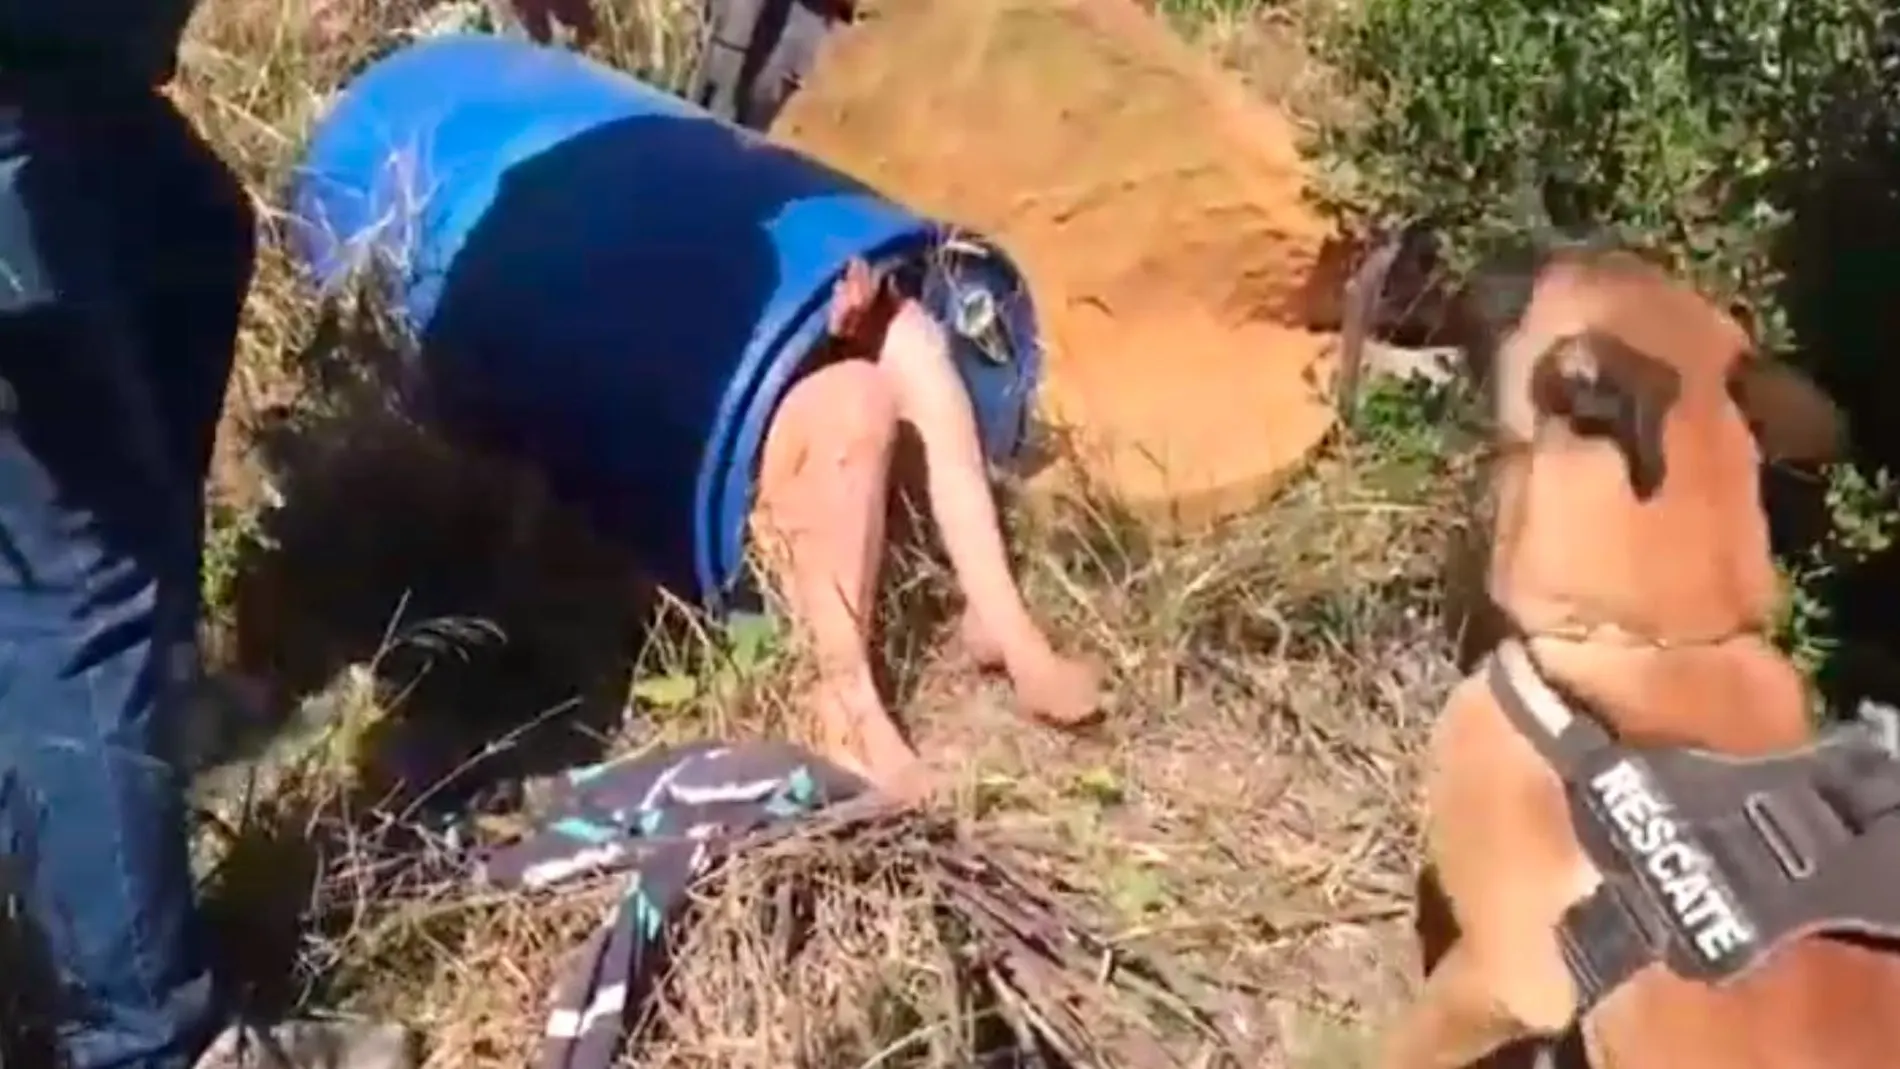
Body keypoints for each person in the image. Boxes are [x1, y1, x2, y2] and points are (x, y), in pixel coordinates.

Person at [0, 2, 595, 1067]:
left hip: (52, 70)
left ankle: (105, 742)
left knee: (185, 237)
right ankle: (154, 1039)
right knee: (84, 579)